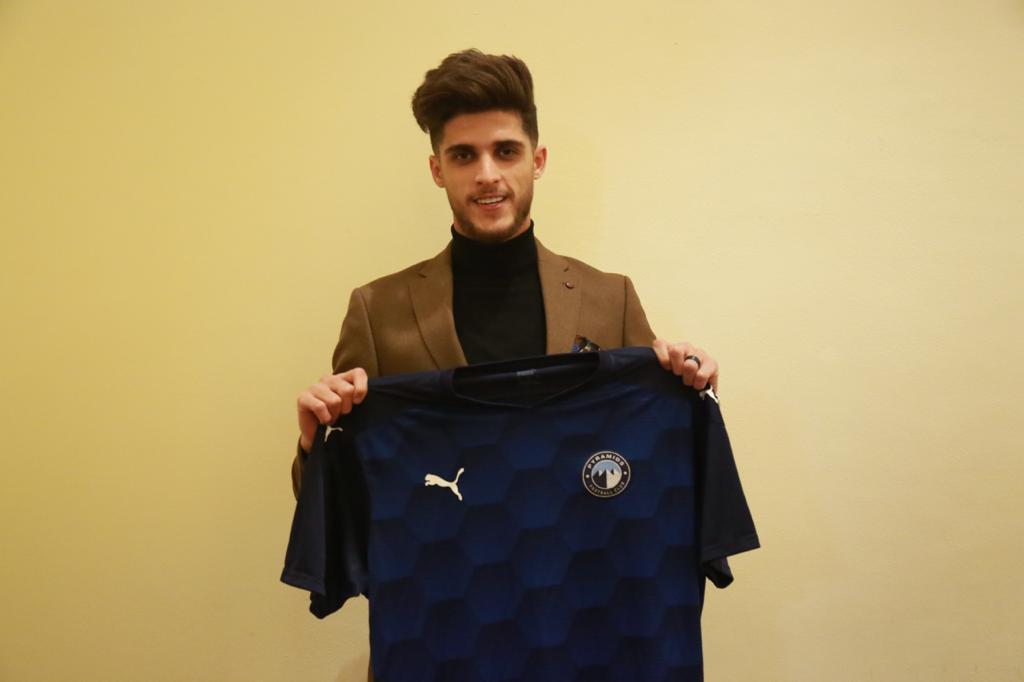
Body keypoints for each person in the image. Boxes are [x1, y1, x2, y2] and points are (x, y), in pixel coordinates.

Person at [290, 48, 723, 680]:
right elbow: (347, 504)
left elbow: (654, 464)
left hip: (589, 637)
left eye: (506, 151)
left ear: (537, 160)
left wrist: (690, 388)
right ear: (437, 169)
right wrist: (314, 444)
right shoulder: (378, 311)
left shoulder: (611, 298)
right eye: (464, 156)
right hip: (449, 639)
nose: (487, 175)